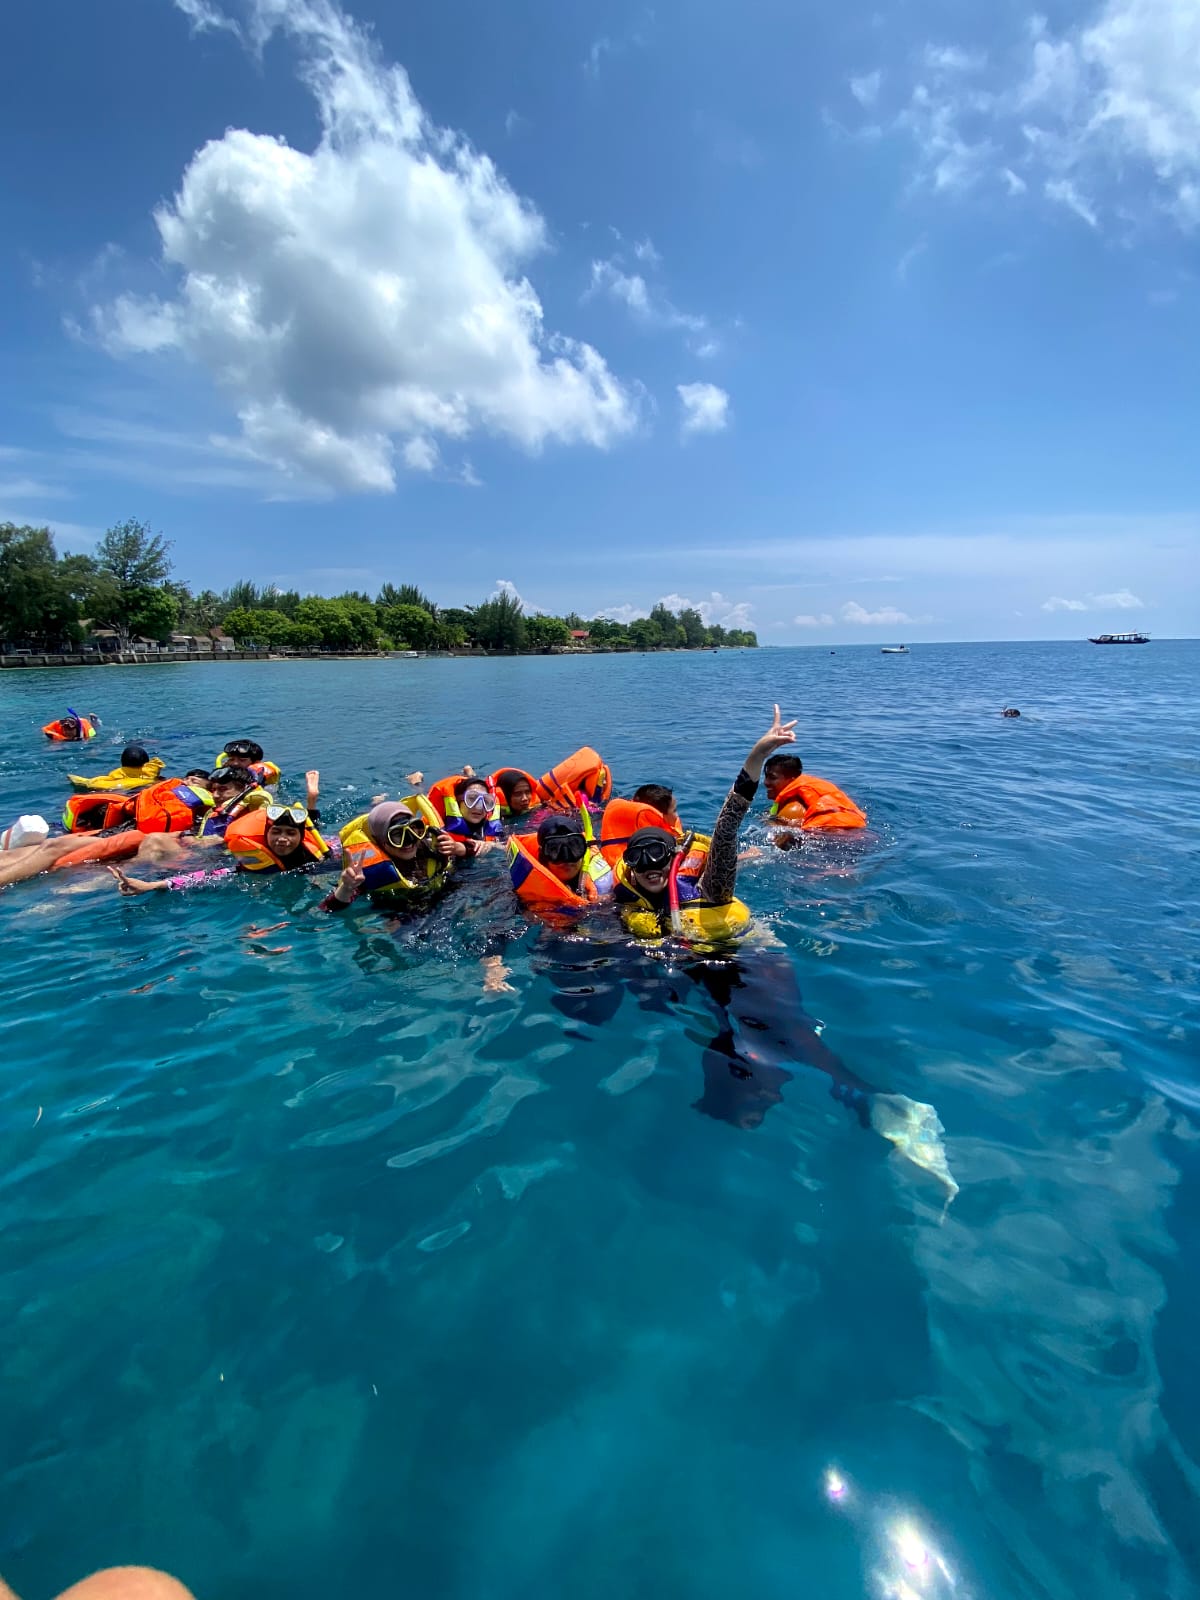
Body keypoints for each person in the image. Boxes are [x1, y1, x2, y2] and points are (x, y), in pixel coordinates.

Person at [613, 706, 797, 943]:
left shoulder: (710, 889)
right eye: (639, 856)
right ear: (629, 865)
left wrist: (757, 756)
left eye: (658, 853)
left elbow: (727, 826)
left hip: (737, 957)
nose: (649, 864)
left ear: (674, 857)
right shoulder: (624, 898)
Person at [110, 803, 337, 893]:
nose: (282, 839)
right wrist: (153, 885)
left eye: (290, 833)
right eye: (276, 832)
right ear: (266, 833)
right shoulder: (249, 866)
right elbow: (204, 877)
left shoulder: (322, 852)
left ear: (301, 836)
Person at [323, 799, 457, 911]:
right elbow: (328, 909)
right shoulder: (363, 870)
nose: (409, 841)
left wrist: (458, 848)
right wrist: (347, 887)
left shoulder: (431, 847)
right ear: (381, 841)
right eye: (397, 835)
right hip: (395, 910)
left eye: (413, 829)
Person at [508, 812, 614, 911]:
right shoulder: (529, 891)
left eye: (573, 847)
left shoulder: (602, 885)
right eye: (554, 849)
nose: (566, 858)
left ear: (584, 849)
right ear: (543, 854)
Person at [761, 752, 866, 835]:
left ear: (791, 780)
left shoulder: (793, 809)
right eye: (766, 777)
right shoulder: (808, 792)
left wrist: (770, 822)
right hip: (855, 833)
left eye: (772, 777)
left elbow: (779, 841)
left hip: (837, 840)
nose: (765, 782)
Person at [67, 744, 164, 792]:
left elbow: (84, 782)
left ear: (122, 763)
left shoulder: (107, 781)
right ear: (146, 764)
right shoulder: (156, 780)